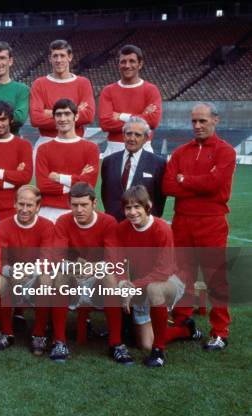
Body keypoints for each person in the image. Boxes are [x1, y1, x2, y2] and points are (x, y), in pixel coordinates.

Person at [162, 102, 235, 351]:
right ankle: (184, 322)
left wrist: (186, 180)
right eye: (194, 121)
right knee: (183, 274)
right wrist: (194, 183)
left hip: (211, 221)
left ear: (215, 121)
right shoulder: (181, 151)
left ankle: (220, 331)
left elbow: (215, 183)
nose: (197, 125)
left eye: (202, 121)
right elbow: (168, 186)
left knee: (215, 277)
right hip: (182, 219)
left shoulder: (226, 152)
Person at [53, 182, 133, 364]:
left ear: (94, 204)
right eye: (75, 205)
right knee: (60, 276)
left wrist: (92, 268)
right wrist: (73, 266)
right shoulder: (63, 221)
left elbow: (113, 259)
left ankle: (116, 343)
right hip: (73, 277)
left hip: (97, 278)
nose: (79, 210)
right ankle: (59, 341)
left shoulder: (108, 222)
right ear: (69, 204)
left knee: (109, 277)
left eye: (84, 205)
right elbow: (56, 258)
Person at [117, 185, 185, 368]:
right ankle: (185, 330)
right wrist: (123, 282)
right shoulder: (122, 229)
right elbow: (119, 261)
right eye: (128, 208)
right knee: (144, 344)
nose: (132, 212)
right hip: (140, 284)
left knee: (155, 288)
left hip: (169, 281)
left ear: (148, 206)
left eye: (137, 206)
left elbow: (162, 272)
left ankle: (159, 351)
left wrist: (131, 286)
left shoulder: (161, 229)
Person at [0, 185, 55, 355]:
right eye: (21, 204)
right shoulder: (3, 226)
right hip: (12, 275)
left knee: (46, 279)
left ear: (38, 207)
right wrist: (14, 272)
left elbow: (47, 259)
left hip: (35, 274)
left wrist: (30, 272)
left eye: (30, 205)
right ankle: (6, 332)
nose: (24, 209)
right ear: (14, 204)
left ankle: (39, 333)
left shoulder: (47, 226)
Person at [35, 98, 99, 223]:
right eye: (58, 114)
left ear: (76, 116)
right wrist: (78, 179)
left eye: (67, 114)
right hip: (48, 212)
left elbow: (88, 185)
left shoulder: (91, 148)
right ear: (53, 118)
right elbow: (42, 185)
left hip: (77, 211)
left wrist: (59, 178)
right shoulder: (43, 149)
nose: (63, 119)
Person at [29, 39, 95, 157]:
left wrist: (49, 112)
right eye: (55, 56)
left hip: (76, 142)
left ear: (70, 57)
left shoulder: (83, 83)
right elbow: (36, 119)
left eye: (62, 55)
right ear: (50, 59)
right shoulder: (39, 84)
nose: (58, 60)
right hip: (46, 142)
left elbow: (88, 116)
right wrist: (75, 111)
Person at [99, 44, 162, 157]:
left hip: (143, 148)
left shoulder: (151, 90)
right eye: (123, 61)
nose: (127, 65)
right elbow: (105, 123)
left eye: (132, 61)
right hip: (114, 149)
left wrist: (121, 116)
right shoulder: (108, 91)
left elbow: (153, 121)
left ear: (140, 64)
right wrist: (141, 118)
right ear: (118, 64)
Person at [101, 117, 166, 222]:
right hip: (114, 222)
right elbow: (105, 194)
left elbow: (159, 198)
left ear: (145, 138)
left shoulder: (158, 163)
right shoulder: (109, 161)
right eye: (129, 133)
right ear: (123, 135)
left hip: (143, 223)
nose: (132, 138)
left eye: (137, 135)